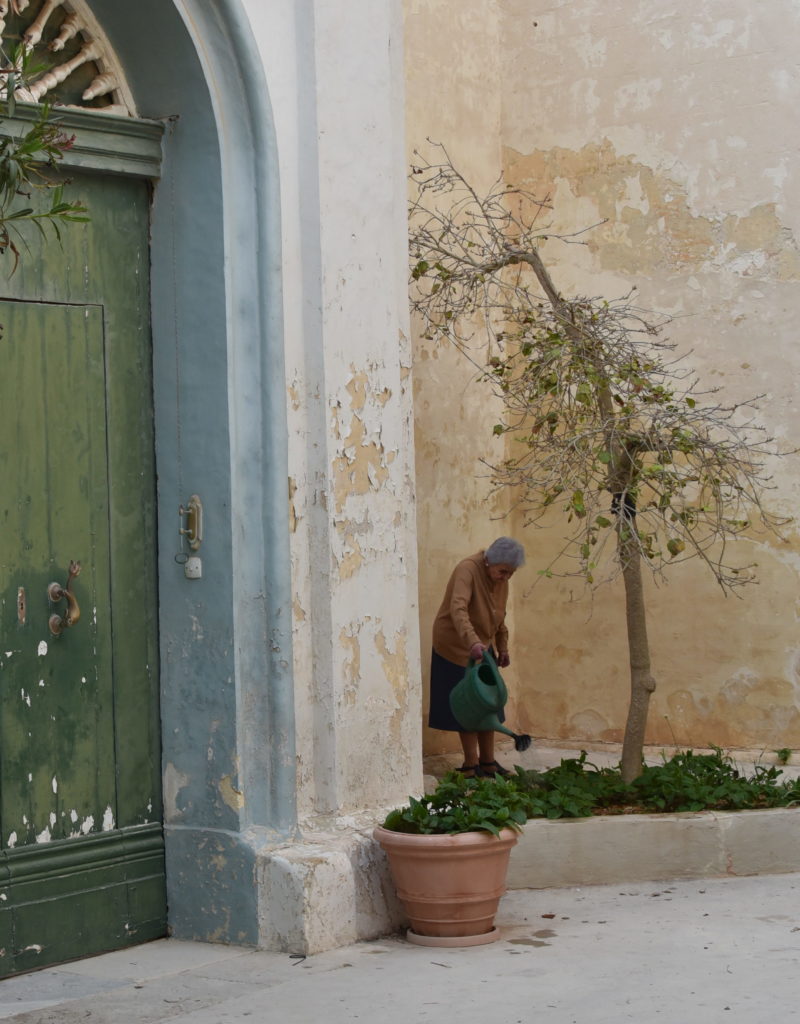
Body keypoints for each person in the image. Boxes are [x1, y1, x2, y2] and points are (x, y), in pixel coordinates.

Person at [428, 536, 525, 778]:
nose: (506, 578)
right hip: (456, 646)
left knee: (488, 704)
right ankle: (471, 765)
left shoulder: (501, 577)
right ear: (488, 561)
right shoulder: (467, 569)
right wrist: (472, 642)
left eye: (510, 574)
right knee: (468, 708)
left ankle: (489, 762)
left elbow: (499, 616)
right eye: (503, 572)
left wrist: (502, 647)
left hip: (482, 645)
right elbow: (457, 609)